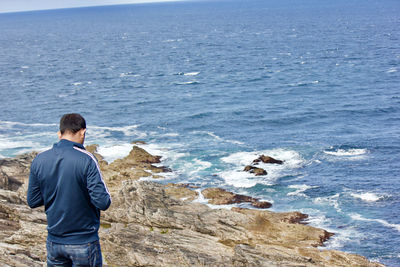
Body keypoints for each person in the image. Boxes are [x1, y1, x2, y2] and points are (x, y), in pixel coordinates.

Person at [27, 113, 111, 267]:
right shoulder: (87, 159)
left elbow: (32, 201)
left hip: (54, 241)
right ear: (82, 132)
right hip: (83, 241)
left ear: (60, 134)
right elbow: (103, 201)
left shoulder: (40, 159)